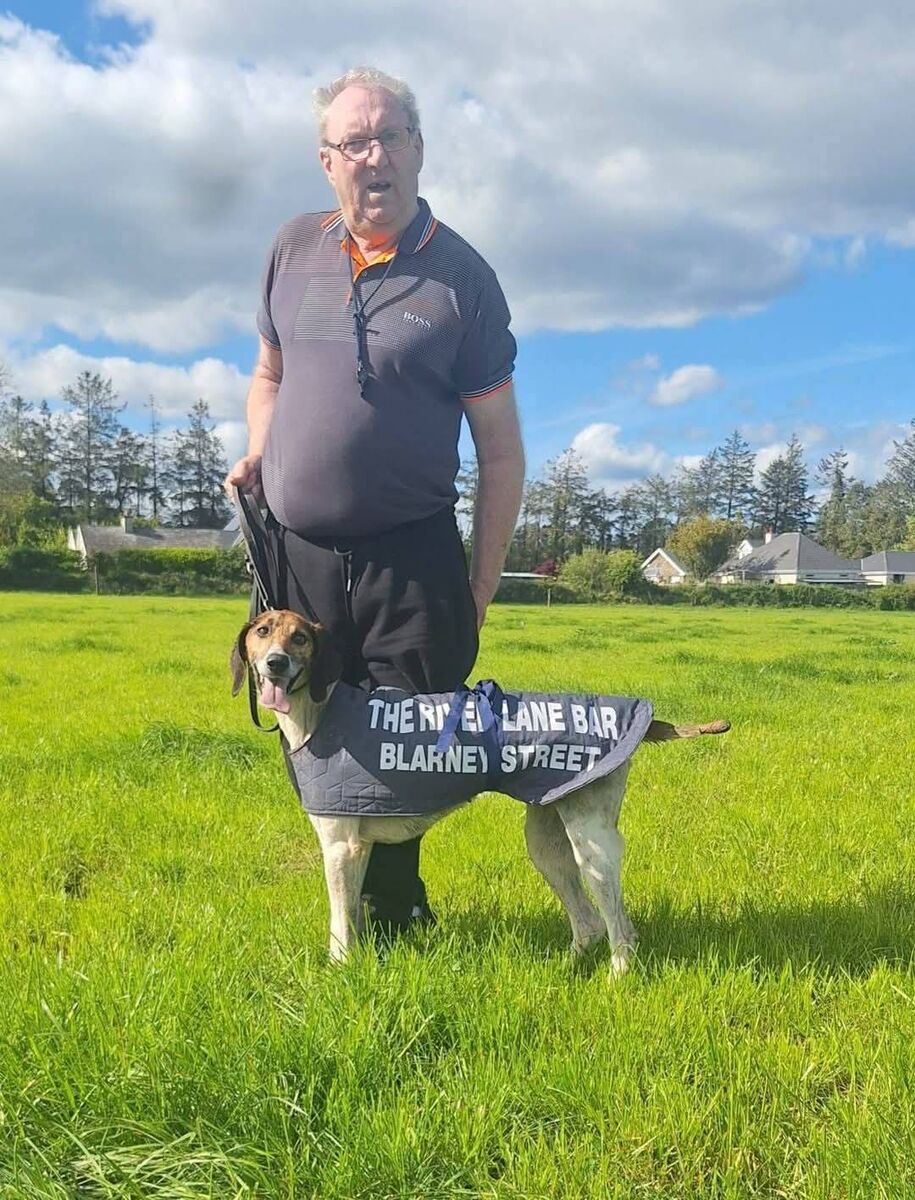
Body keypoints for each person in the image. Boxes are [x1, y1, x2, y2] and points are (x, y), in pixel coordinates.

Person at [225, 66, 525, 933]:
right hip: (298, 550)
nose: (374, 156)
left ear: (418, 149)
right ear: (326, 161)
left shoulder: (462, 278)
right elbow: (268, 374)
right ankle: (343, 904)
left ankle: (396, 905)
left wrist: (478, 584)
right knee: (311, 716)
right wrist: (260, 449)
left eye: (390, 136)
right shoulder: (291, 249)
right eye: (353, 142)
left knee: (408, 725)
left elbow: (499, 449)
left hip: (410, 551)